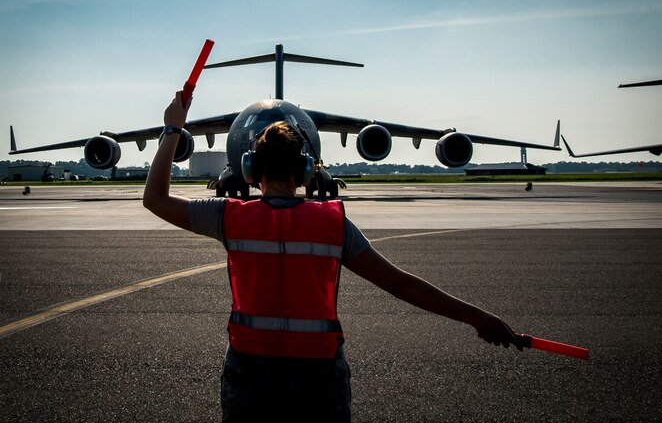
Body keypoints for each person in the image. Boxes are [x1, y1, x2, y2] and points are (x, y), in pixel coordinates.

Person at [143, 91, 523, 422]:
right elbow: (400, 283)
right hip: (318, 374)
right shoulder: (332, 224)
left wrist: (172, 129)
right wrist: (478, 317)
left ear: (250, 168)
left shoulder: (229, 217)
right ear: (308, 171)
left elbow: (155, 198)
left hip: (250, 372)